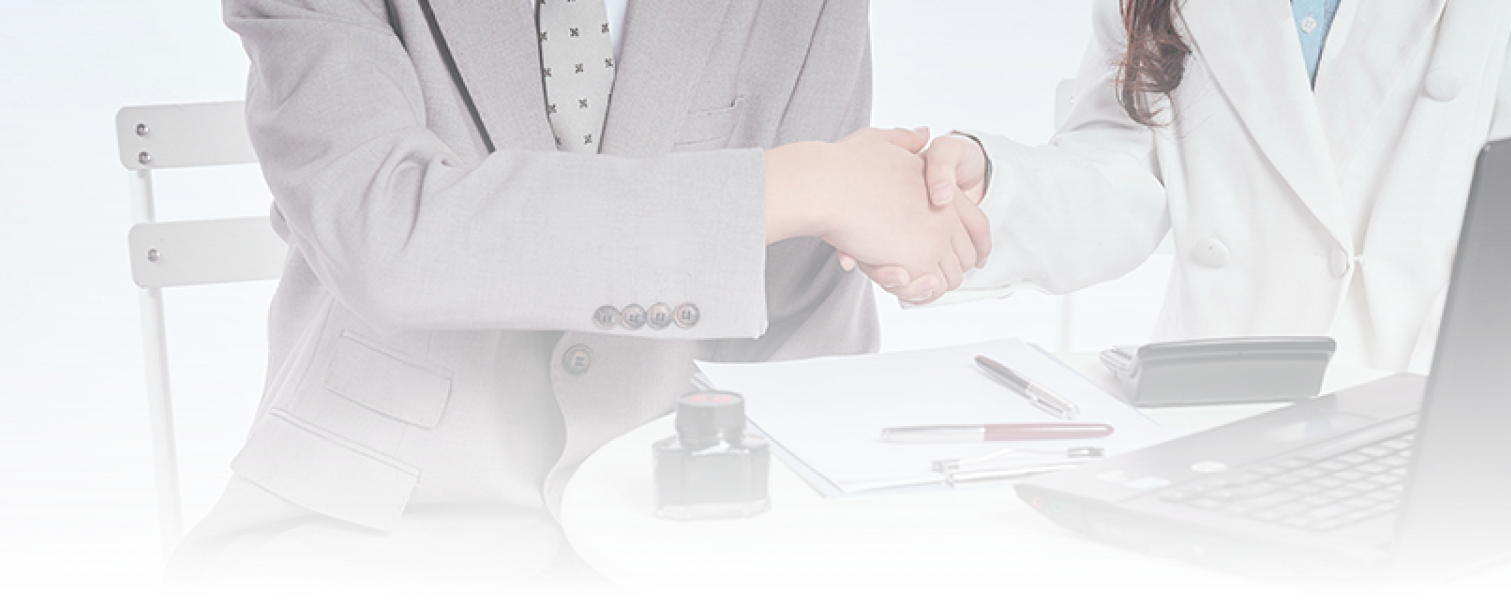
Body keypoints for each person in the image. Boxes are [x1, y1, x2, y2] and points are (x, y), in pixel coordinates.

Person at [160, 0, 984, 593]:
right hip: (375, 530)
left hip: (690, 527)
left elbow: (802, 320)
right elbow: (388, 233)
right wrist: (791, 185)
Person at [877, 0, 1511, 373]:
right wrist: (989, 193)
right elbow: (1128, 164)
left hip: (1435, 405)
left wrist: (1445, 434)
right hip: (1213, 417)